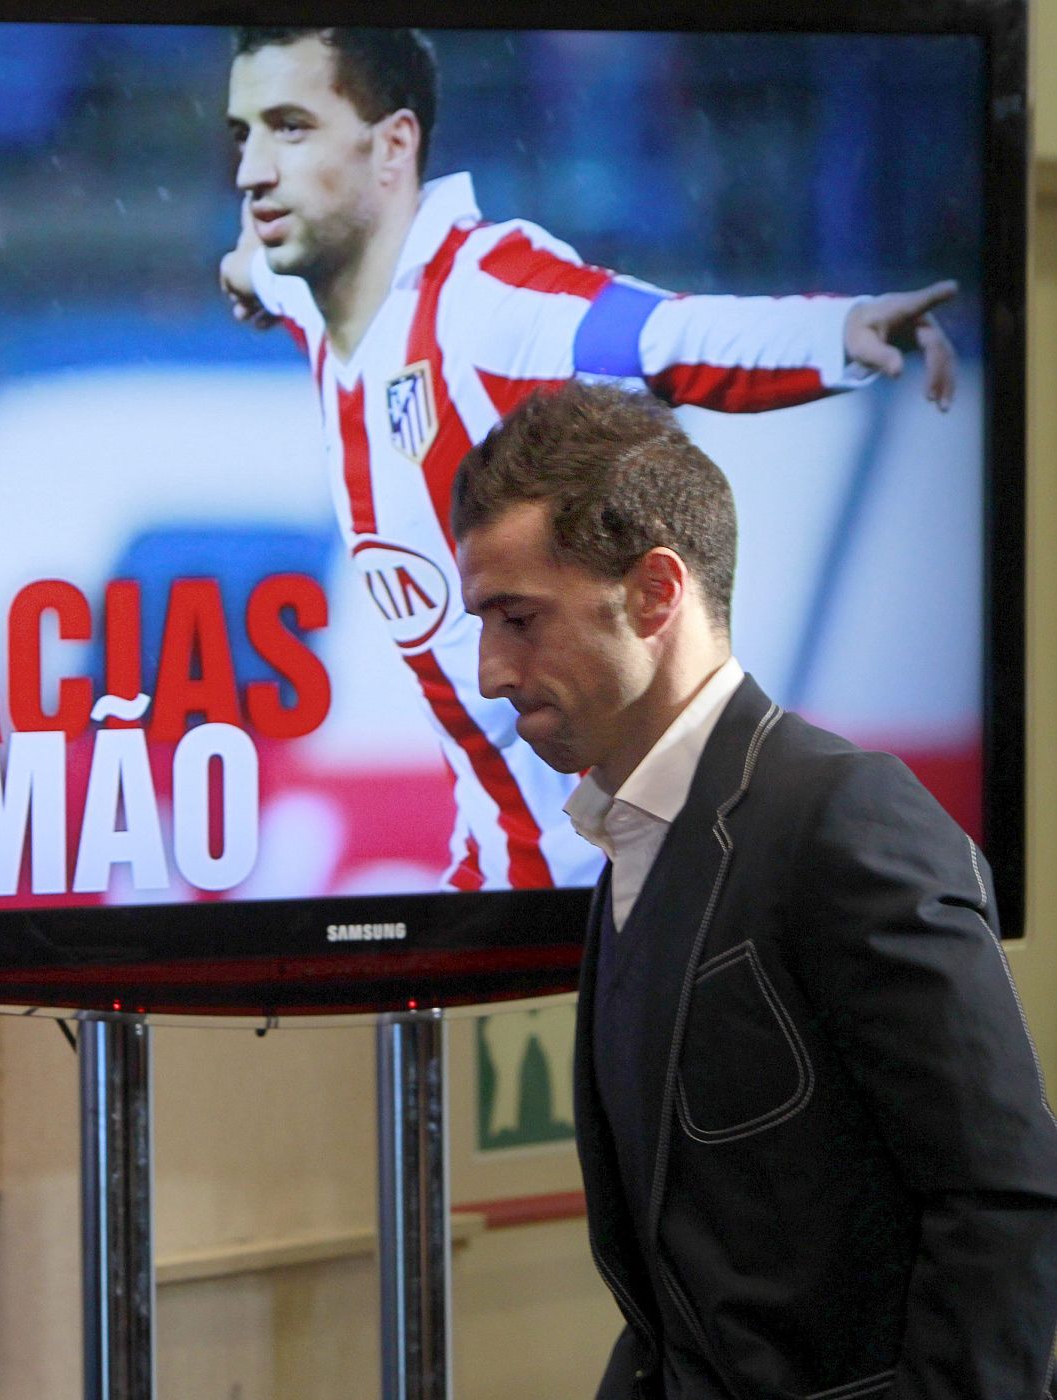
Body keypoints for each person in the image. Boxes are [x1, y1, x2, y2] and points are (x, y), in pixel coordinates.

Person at [221, 25, 959, 893]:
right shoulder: (314, 285)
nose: (251, 171)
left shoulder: (481, 298)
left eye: (291, 127)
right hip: (505, 870)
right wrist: (246, 278)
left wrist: (835, 331)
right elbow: (257, 272)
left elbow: (664, 335)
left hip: (609, 889)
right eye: (243, 135)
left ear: (393, 146)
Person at [451, 378, 1057, 1400]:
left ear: (655, 592)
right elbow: (677, 1310)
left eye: (519, 618)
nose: (490, 671)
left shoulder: (844, 816)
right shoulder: (630, 850)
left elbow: (1007, 1196)